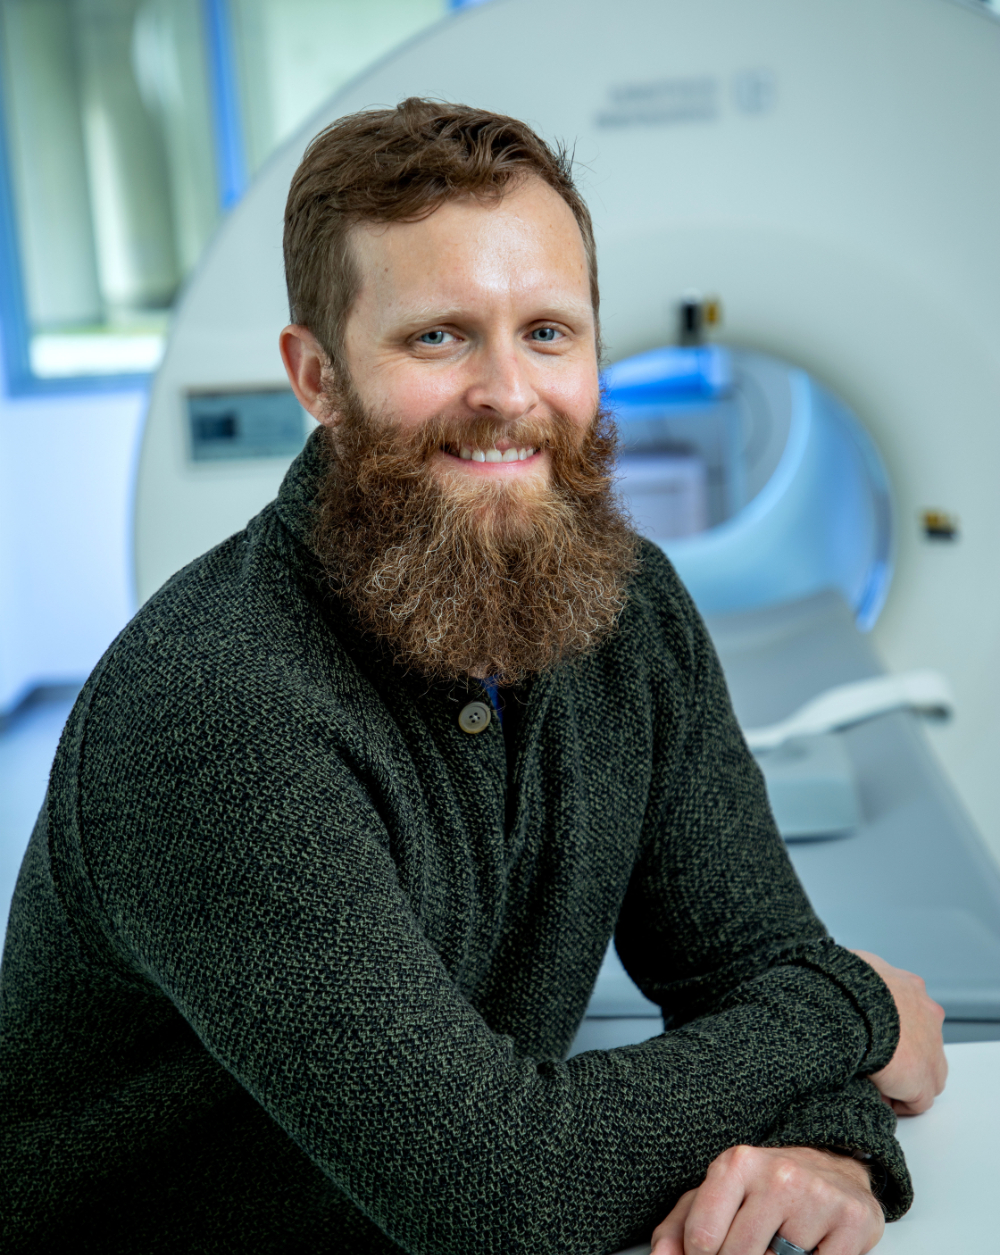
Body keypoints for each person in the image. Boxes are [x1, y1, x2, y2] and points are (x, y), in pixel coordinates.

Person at [0, 99, 946, 1255]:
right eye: (439, 336)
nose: (507, 391)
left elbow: (752, 960)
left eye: (547, 331)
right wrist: (858, 1008)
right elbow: (498, 1194)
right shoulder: (215, 709)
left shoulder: (630, 608)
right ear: (317, 376)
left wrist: (830, 1149)